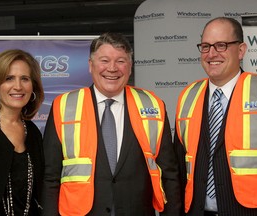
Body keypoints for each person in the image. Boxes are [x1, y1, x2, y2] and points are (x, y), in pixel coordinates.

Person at [41, 32, 181, 216]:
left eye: (121, 61)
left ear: (130, 67)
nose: (112, 68)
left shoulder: (153, 105)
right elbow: (51, 177)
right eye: (104, 60)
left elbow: (169, 174)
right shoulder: (64, 106)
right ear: (91, 65)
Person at [174, 17, 257, 216]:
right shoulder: (188, 96)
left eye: (221, 45)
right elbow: (179, 168)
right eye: (205, 46)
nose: (212, 53)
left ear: (241, 51)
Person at [0, 49, 45, 215]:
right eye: (9, 78)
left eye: (25, 79)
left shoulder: (34, 133)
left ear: (33, 87)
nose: (18, 86)